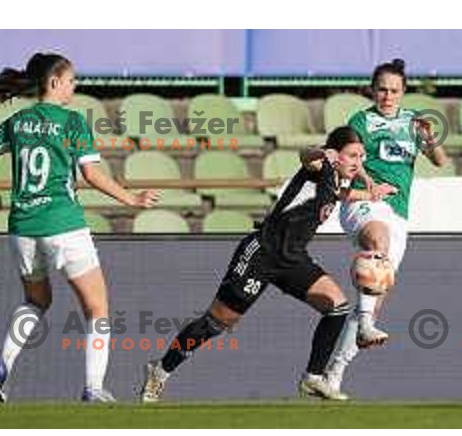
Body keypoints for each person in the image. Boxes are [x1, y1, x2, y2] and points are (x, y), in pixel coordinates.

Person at [0, 52, 159, 403]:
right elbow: (92, 175)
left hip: (22, 228)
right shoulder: (72, 122)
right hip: (63, 224)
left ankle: (2, 365)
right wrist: (131, 200)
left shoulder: (18, 121)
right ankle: (94, 388)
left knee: (36, 300)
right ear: (54, 83)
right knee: (97, 308)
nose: (74, 86)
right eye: (70, 80)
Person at [140, 125, 396, 403]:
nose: (358, 163)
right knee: (216, 323)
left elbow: (340, 194)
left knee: (337, 307)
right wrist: (322, 152)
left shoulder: (337, 180)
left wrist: (371, 193)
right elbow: (305, 156)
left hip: (293, 259)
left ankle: (313, 378)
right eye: (352, 156)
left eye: (361, 157)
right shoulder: (319, 167)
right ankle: (161, 369)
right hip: (262, 253)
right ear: (335, 154)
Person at [322, 59, 449, 398]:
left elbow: (440, 161)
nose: (388, 95)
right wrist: (369, 185)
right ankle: (365, 325)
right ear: (372, 90)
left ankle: (333, 373)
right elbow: (346, 163)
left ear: (403, 91)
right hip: (365, 202)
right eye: (382, 89)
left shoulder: (413, 121)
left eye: (394, 90)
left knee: (375, 292)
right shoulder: (361, 121)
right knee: (376, 240)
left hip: (399, 212)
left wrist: (429, 138)